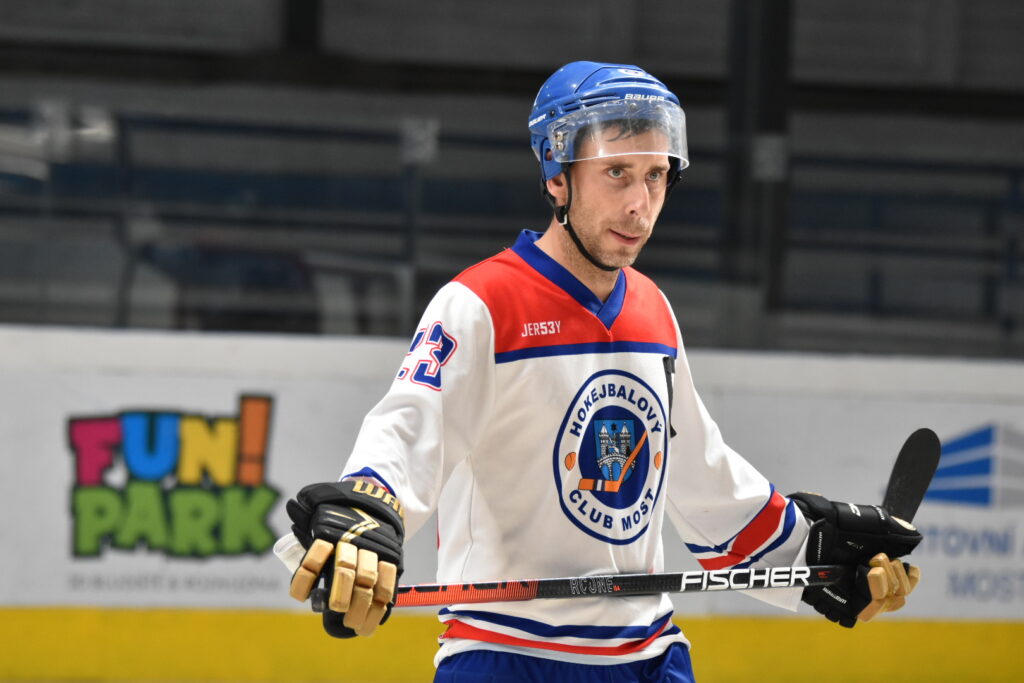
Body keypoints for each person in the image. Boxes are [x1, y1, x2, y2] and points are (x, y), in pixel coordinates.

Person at [277, 61, 922, 682]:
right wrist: (368, 509)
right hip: (507, 658)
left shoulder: (652, 310)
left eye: (656, 176)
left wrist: (815, 556)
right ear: (557, 176)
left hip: (650, 657)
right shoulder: (482, 303)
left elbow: (702, 478)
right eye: (617, 173)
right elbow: (410, 429)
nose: (641, 204)